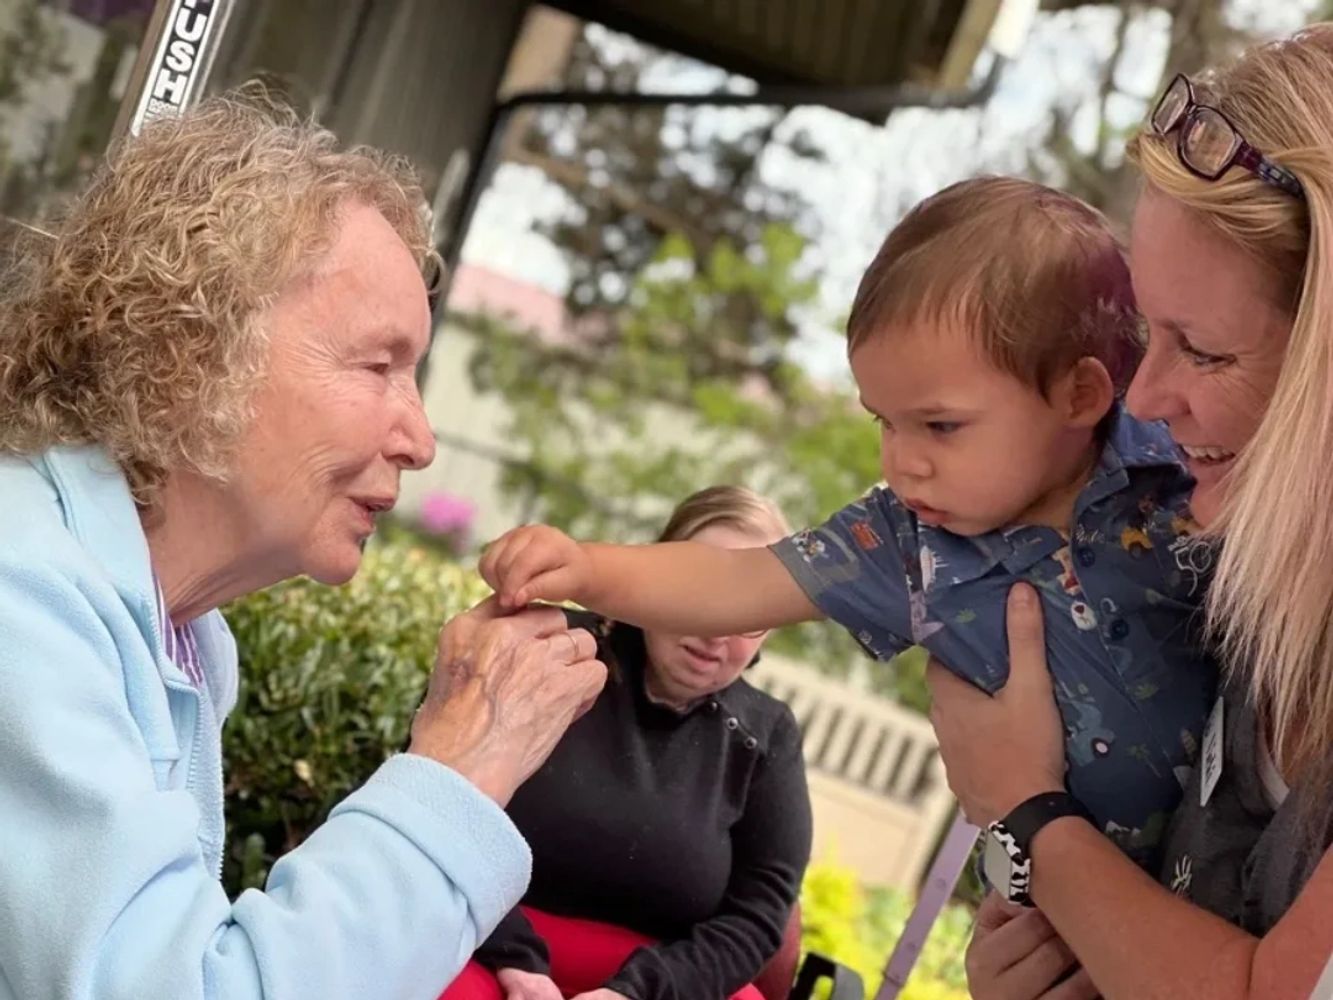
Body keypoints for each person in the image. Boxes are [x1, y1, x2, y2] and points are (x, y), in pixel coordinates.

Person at [0, 91, 606, 1000]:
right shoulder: (23, 599)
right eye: (379, 365)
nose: (420, 438)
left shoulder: (180, 634)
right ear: (190, 352)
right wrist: (464, 762)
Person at [480, 176, 1217, 873]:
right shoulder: (904, 545)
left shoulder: (1187, 472)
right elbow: (739, 577)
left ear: (1079, 393)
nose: (901, 463)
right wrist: (587, 569)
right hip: (1067, 901)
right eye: (882, 422)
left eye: (938, 424)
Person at [932, 26, 1333, 1000]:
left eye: (1202, 351)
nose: (1142, 397)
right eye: (1148, 332)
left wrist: (1026, 805)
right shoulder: (1229, 613)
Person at [444, 486, 812, 1000]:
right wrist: (517, 965)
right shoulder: (548, 651)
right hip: (484, 939)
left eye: (747, 612)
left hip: (667, 981)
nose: (716, 630)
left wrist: (634, 994)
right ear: (652, 578)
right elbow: (442, 807)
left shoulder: (767, 734)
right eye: (699, 591)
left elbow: (757, 916)